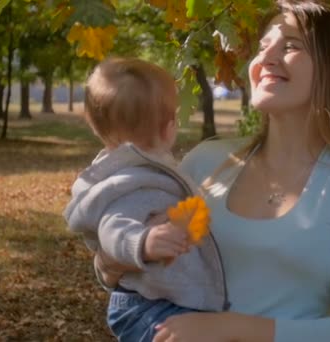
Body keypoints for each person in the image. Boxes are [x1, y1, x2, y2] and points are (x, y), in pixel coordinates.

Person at [98, 1, 330, 341]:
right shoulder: (204, 162)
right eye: (262, 46)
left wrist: (227, 328)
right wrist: (114, 261)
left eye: (291, 46)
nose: (266, 59)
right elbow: (122, 265)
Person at [63, 57, 229, 342]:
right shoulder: (129, 181)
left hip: (163, 301)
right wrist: (142, 242)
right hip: (147, 307)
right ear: (169, 128)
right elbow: (113, 226)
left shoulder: (146, 170)